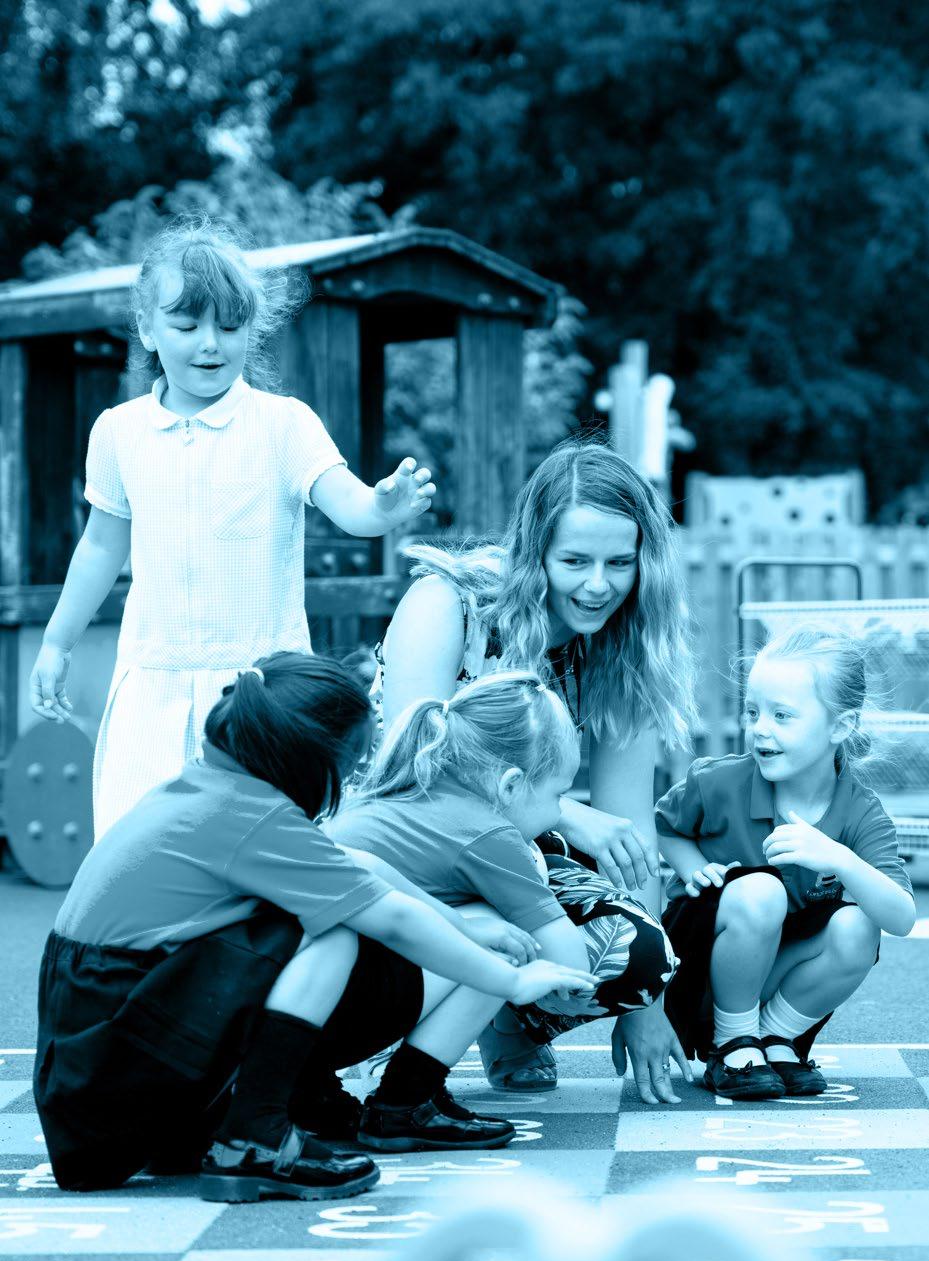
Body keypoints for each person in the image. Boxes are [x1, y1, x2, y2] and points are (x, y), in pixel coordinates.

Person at [34, 652, 596, 1203]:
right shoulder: (254, 818)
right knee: (332, 935)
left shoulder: (206, 789)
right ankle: (254, 1139)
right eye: (348, 764)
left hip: (95, 1066)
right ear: (310, 757)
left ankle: (275, 1107)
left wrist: (462, 927)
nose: (347, 780)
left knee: (311, 917)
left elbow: (360, 866)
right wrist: (510, 980)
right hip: (119, 1078)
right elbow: (394, 919)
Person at [29, 214, 436, 837]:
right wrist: (57, 643)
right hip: (153, 683)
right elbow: (100, 546)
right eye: (187, 326)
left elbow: (351, 505)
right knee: (139, 843)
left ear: (253, 326)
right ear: (148, 328)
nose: (209, 344)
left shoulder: (283, 425)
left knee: (263, 847)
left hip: (262, 688)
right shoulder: (119, 432)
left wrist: (384, 508)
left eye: (229, 325)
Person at [374, 437, 698, 1103]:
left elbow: (628, 832)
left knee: (639, 953)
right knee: (494, 899)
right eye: (574, 561)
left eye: (619, 562)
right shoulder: (447, 605)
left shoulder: (625, 648)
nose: (598, 585)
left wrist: (648, 1003)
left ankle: (508, 1020)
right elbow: (412, 770)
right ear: (535, 553)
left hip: (515, 846)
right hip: (404, 841)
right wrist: (566, 813)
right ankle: (389, 1047)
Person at [327, 671, 679, 1059]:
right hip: (347, 1015)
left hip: (302, 1002)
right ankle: (412, 1086)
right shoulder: (488, 833)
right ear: (510, 785)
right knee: (502, 942)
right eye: (559, 795)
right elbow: (571, 963)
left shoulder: (416, 790)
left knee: (479, 922)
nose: (559, 813)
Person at [657, 625, 916, 1100]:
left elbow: (901, 918)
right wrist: (693, 867)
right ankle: (732, 1042)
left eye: (782, 715)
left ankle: (775, 1038)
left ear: (840, 726)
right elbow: (666, 827)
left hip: (773, 982)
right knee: (762, 890)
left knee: (859, 924)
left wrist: (841, 859)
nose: (760, 728)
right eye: (753, 711)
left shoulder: (860, 810)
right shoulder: (719, 782)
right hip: (695, 977)